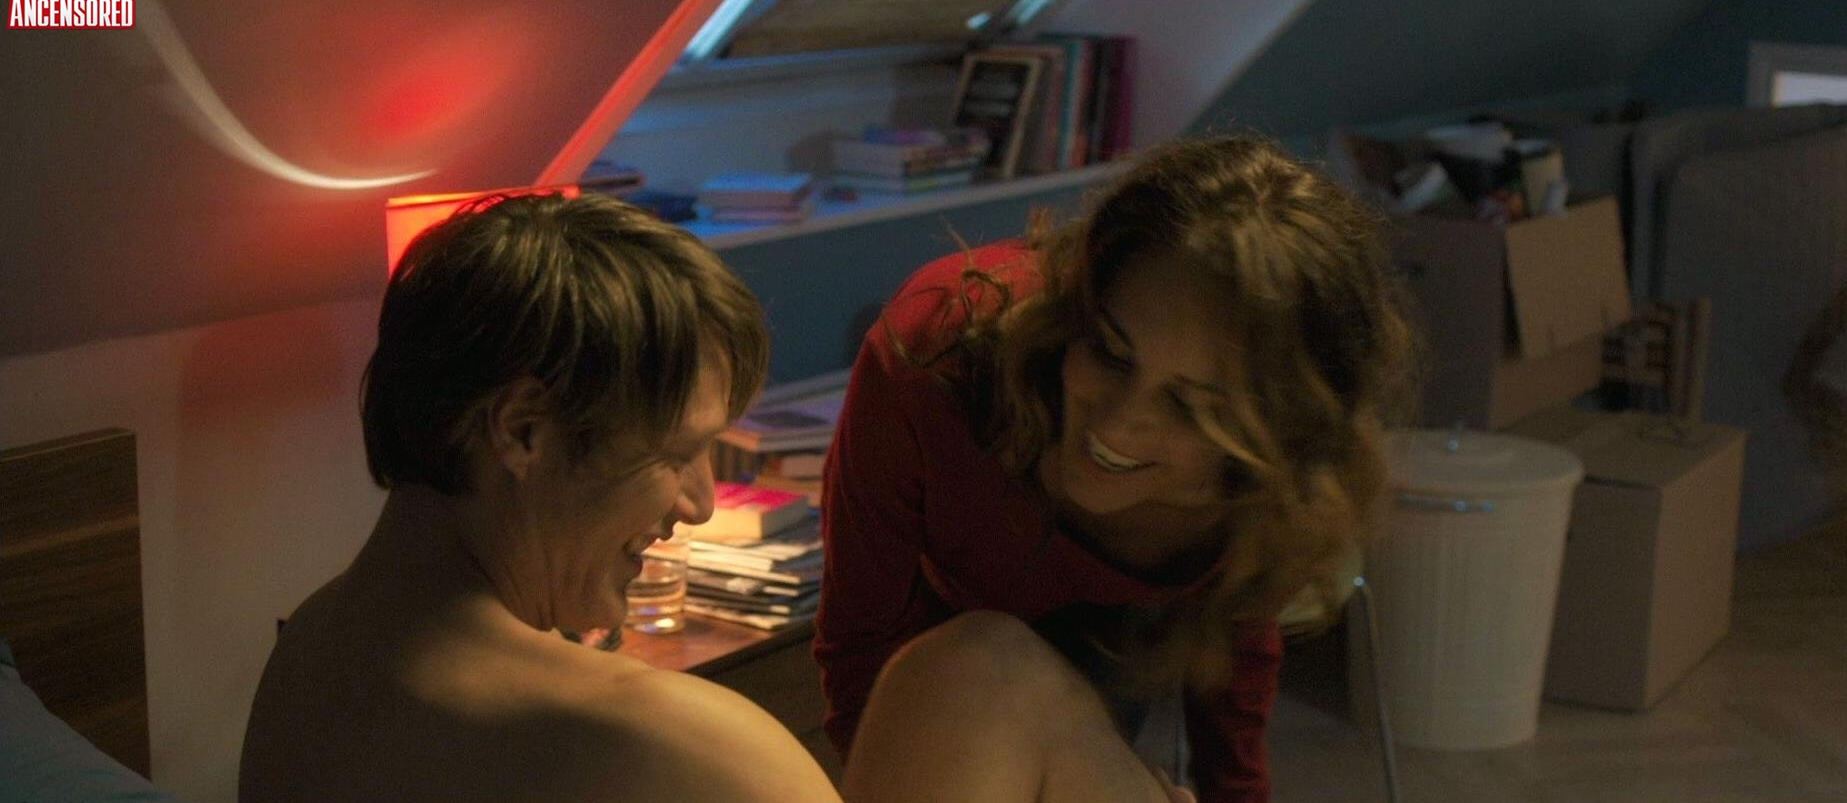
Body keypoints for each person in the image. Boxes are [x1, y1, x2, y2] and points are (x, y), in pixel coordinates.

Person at [238, 192, 1195, 803]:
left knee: (991, 660)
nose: (698, 503)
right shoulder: (675, 746)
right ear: (523, 432)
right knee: (996, 672)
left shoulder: (305, 657)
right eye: (676, 453)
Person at [815, 135, 1415, 803]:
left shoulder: (1272, 485)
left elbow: (1234, 655)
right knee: (973, 663)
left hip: (1117, 657)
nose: (1119, 426)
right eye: (1110, 352)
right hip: (928, 659)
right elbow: (859, 642)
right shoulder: (938, 357)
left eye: (1190, 406)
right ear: (1075, 310)